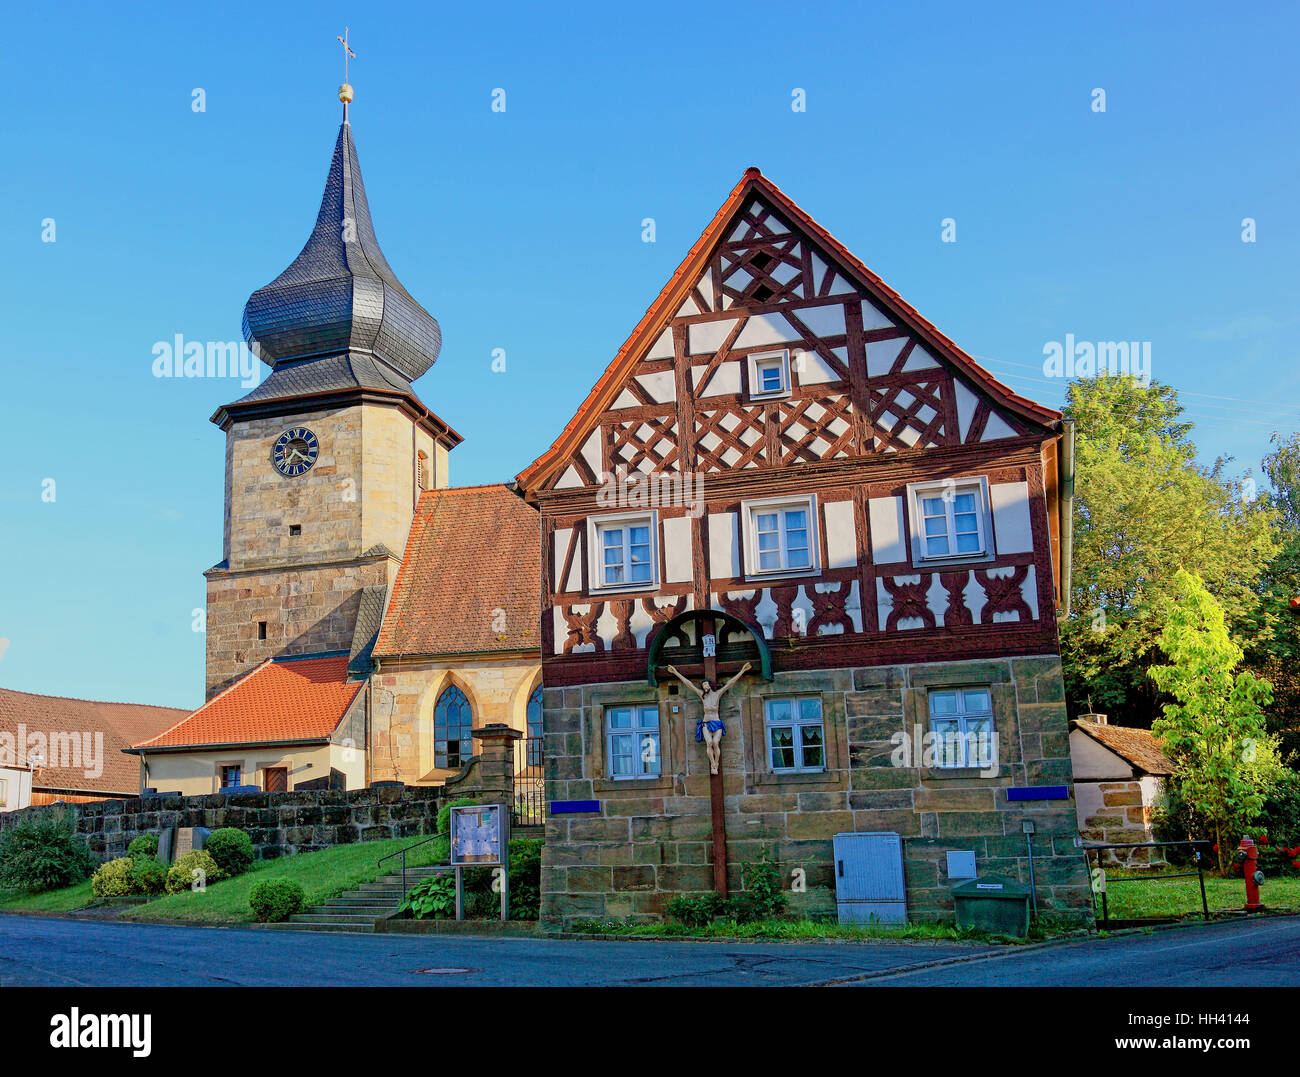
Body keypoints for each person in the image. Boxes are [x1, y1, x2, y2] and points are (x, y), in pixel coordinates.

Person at [664, 662, 752, 774]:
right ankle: (712, 765)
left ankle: (716, 763)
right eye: (703, 685)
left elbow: (730, 683)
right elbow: (688, 684)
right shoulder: (702, 695)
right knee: (709, 742)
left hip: (717, 723)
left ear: (710, 685)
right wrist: (675, 672)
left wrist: (742, 671)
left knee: (715, 743)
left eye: (706, 684)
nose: (705, 686)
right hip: (706, 723)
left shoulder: (717, 694)